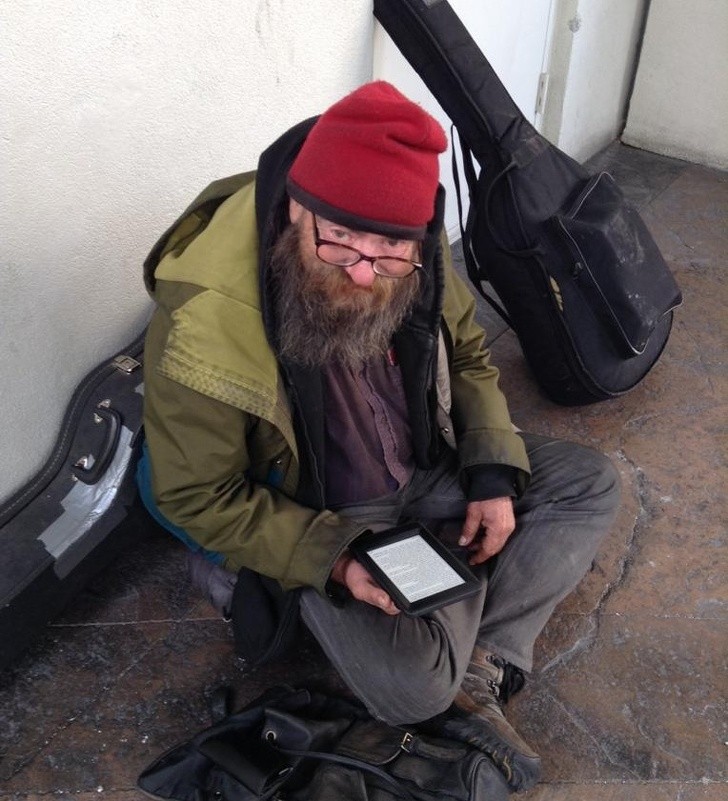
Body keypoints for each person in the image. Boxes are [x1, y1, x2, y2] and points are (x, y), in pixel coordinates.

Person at [138, 81, 620, 793]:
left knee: (590, 483)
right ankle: (437, 657)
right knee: (413, 688)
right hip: (324, 507)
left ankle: (478, 663)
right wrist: (331, 559)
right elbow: (195, 493)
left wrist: (489, 471)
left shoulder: (418, 254)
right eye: (336, 243)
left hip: (426, 463)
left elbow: (468, 352)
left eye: (389, 253)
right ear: (297, 209)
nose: (363, 271)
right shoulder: (204, 317)